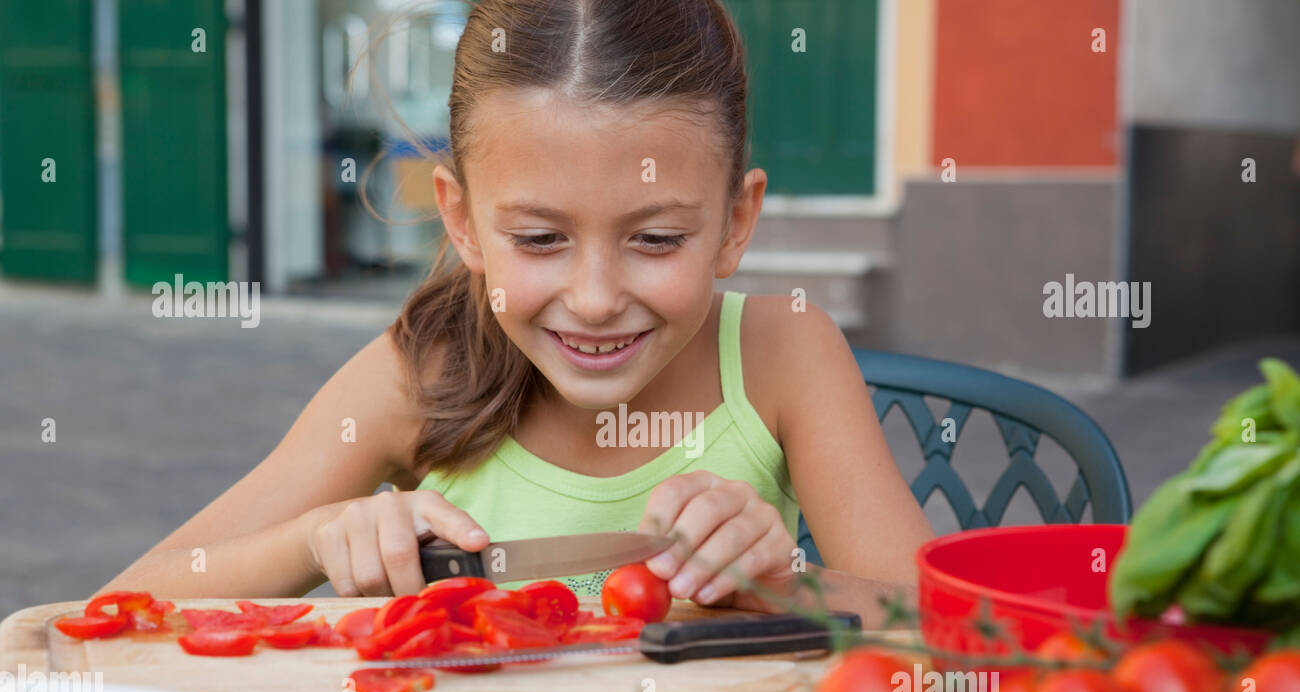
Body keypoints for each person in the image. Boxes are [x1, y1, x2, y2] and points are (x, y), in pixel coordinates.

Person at [103, 0, 932, 626]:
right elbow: (115, 607)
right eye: (539, 238)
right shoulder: (420, 377)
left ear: (735, 224)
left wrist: (782, 583)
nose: (598, 298)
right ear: (462, 221)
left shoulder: (784, 352)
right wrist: (315, 539)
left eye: (657, 239)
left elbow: (935, 622)